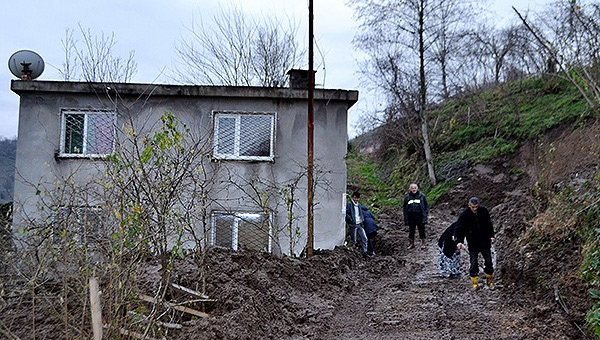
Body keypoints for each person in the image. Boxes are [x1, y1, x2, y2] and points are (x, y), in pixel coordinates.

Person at [454, 197, 495, 289]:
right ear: (469, 206)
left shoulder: (484, 211)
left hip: (484, 241)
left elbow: (489, 224)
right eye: (473, 207)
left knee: (488, 261)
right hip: (473, 242)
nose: (475, 209)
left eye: (476, 207)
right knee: (473, 262)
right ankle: (475, 282)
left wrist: (491, 236)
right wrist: (459, 241)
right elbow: (459, 229)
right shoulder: (464, 215)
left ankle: (489, 280)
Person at [403, 183, 429, 249]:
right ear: (410, 189)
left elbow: (426, 207)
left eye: (415, 188)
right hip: (411, 216)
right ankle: (412, 244)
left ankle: (423, 243)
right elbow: (404, 208)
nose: (414, 189)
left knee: (422, 230)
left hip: (420, 215)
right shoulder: (407, 197)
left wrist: (425, 216)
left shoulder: (422, 196)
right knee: (411, 231)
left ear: (417, 188)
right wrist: (406, 218)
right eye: (412, 188)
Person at [345, 192, 369, 258]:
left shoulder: (359, 205)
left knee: (365, 238)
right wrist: (350, 220)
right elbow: (345, 213)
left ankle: (365, 252)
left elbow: (360, 214)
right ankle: (352, 254)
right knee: (354, 240)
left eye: (357, 198)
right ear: (353, 197)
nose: (356, 199)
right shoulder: (349, 204)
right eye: (355, 198)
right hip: (353, 224)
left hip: (359, 224)